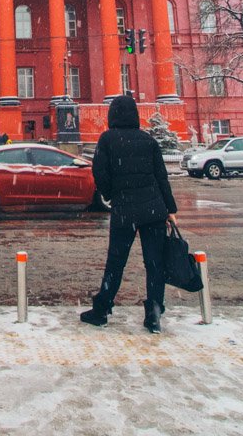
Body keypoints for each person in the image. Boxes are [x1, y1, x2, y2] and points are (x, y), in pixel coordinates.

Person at [81, 95, 178, 334]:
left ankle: (102, 310)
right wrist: (171, 209)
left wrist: (111, 193)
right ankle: (154, 313)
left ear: (112, 115)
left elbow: (99, 173)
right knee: (154, 263)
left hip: (125, 210)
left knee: (116, 262)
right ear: (135, 115)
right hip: (154, 209)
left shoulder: (108, 139)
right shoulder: (148, 140)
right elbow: (161, 177)